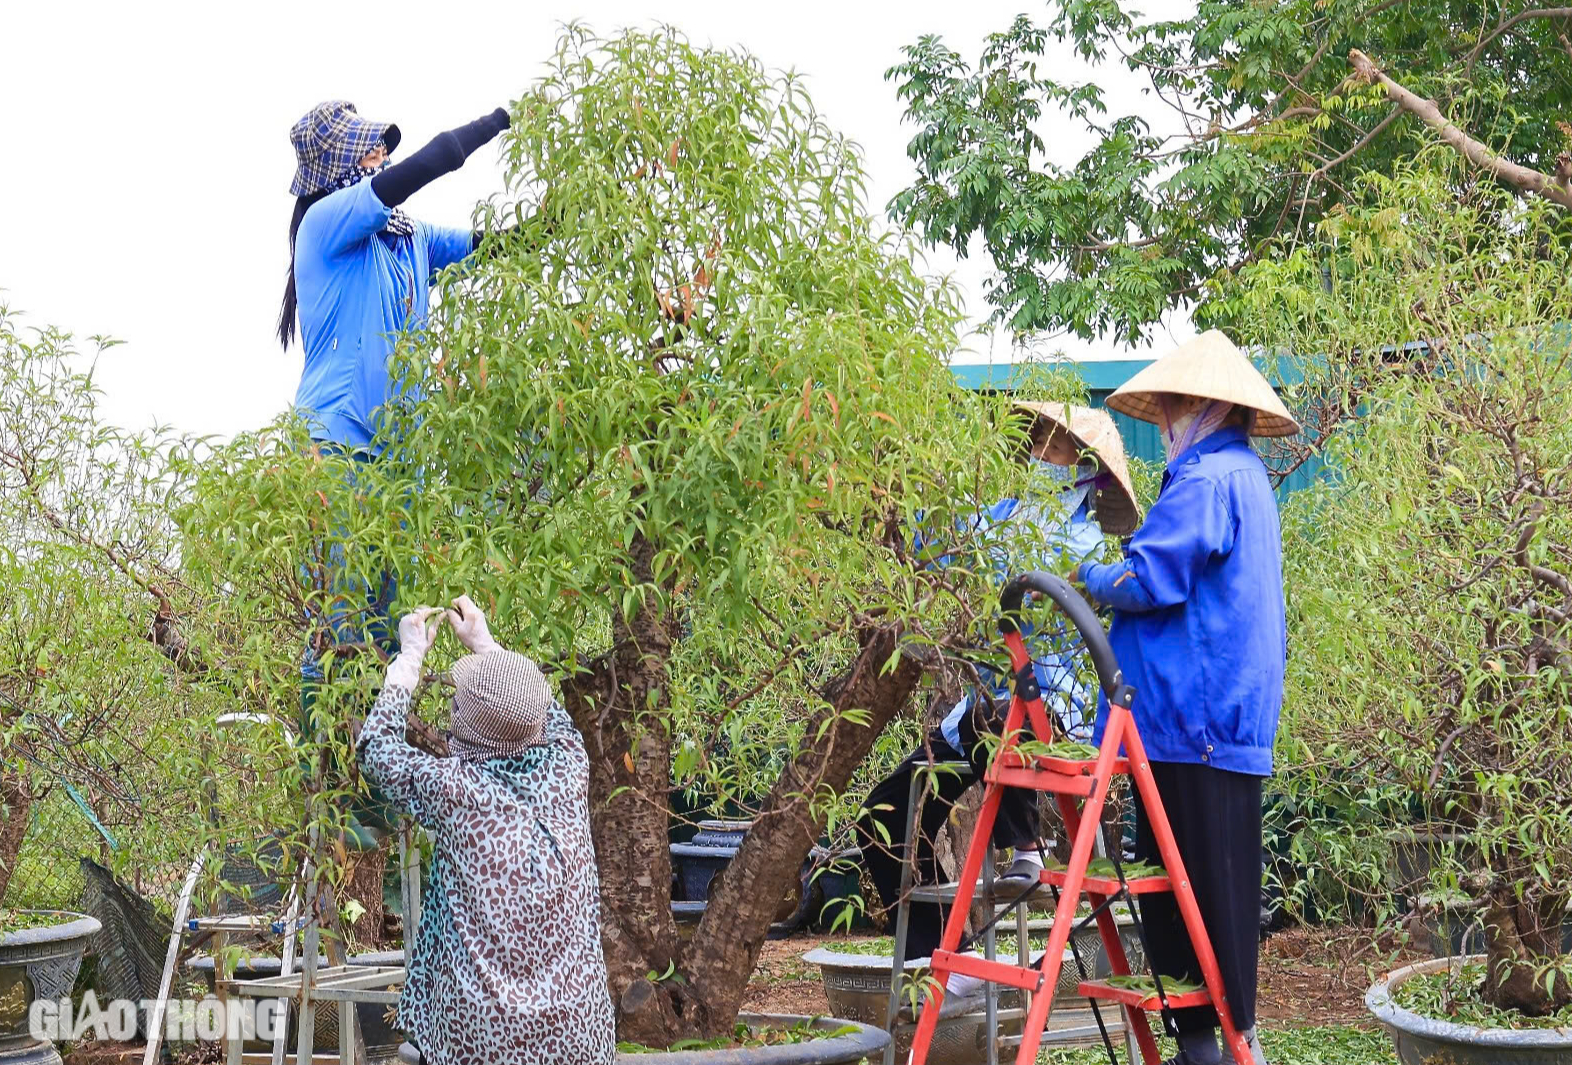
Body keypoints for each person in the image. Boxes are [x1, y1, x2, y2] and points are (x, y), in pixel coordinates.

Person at [281, 100, 511, 838]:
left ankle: (376, 801)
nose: (379, 160)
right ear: (336, 170)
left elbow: (490, 245)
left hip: (401, 464)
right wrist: (497, 122)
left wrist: (566, 216)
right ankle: (331, 800)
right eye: (368, 152)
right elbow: (424, 165)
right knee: (340, 622)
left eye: (379, 150)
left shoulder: (406, 242)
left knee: (393, 628)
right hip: (337, 446)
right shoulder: (324, 228)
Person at [1076, 330, 1298, 1065]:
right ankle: (1214, 1041)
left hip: (1194, 717)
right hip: (1214, 717)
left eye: (1172, 404)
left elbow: (1149, 580)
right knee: (1208, 885)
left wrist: (1089, 578)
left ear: (1201, 406)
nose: (1165, 419)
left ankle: (1220, 1044)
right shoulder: (1246, 476)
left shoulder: (1205, 479)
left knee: (1188, 889)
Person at [856, 402, 1139, 966]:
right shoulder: (1007, 513)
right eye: (1036, 446)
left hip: (1051, 709)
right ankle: (934, 955)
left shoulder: (1084, 543)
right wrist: (901, 500)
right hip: (983, 713)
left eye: (1055, 449)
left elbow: (1014, 578)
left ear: (1086, 469)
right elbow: (942, 544)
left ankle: (1028, 844)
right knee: (882, 816)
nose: (1040, 457)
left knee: (999, 717)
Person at [357, 595, 616, 1065]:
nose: (453, 704)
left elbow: (375, 748)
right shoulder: (569, 768)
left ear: (467, 726)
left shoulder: (456, 790)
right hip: (580, 1038)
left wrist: (410, 659)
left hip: (483, 1042)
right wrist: (487, 645)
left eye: (458, 701)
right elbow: (543, 712)